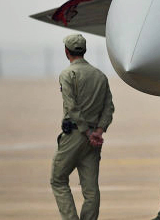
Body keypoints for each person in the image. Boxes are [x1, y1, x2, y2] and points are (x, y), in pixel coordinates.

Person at [50, 33, 115, 220]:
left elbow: (72, 106)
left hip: (76, 135)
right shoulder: (100, 76)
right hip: (94, 139)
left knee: (58, 179)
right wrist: (99, 131)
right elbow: (109, 107)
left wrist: (86, 132)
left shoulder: (68, 74)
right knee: (91, 189)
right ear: (84, 51)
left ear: (66, 52)